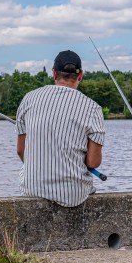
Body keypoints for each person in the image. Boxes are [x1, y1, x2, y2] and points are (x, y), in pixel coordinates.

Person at [15, 50, 106, 207]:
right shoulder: (93, 108)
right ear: (81, 75)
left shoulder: (29, 98)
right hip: (73, 195)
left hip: (32, 188)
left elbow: (20, 151)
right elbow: (93, 162)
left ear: (54, 74)